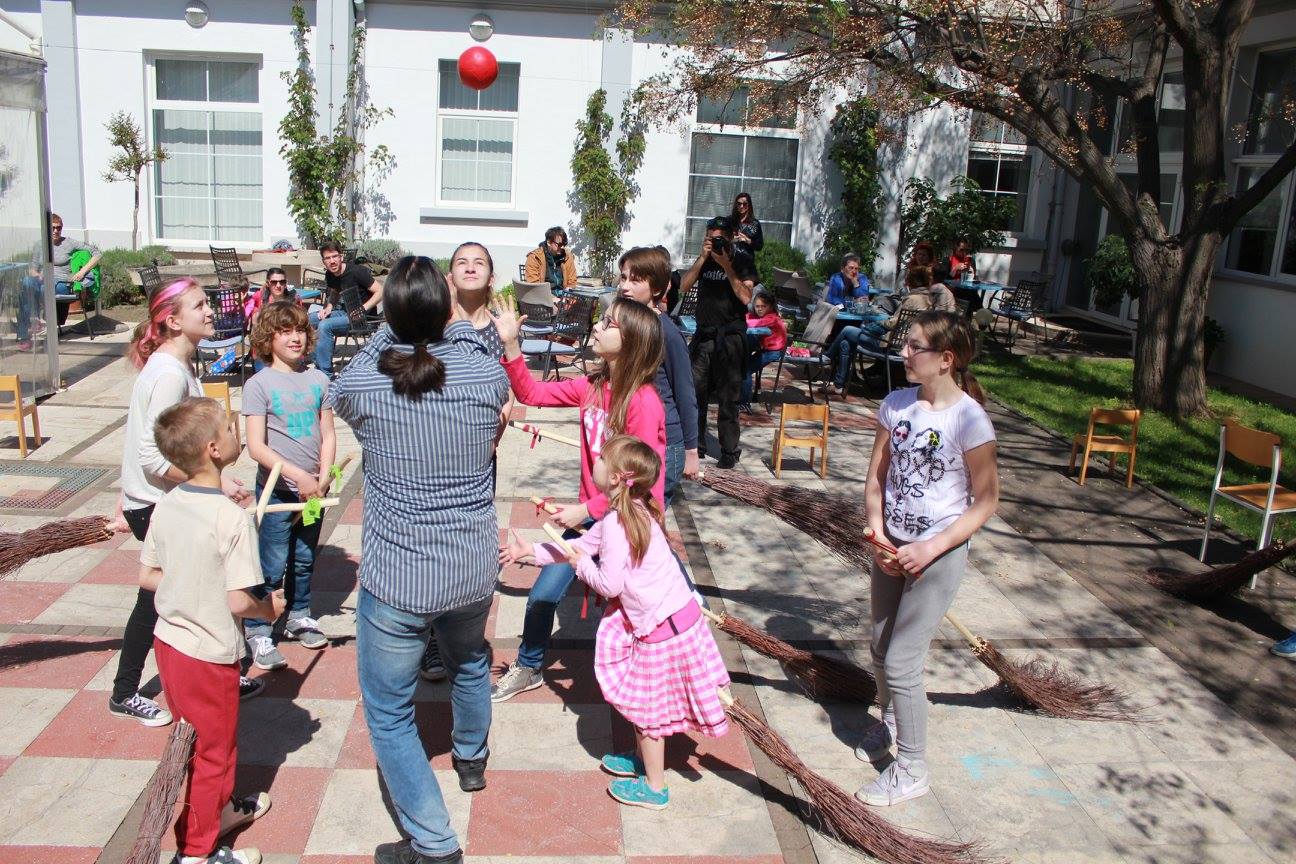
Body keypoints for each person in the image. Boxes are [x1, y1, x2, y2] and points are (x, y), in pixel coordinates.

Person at [327, 256, 509, 864]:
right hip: (471, 565)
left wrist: (390, 322)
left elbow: (338, 386)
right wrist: (448, 324)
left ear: (393, 314)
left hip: (398, 577)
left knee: (388, 710)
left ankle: (434, 843)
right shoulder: (486, 377)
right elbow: (478, 357)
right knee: (469, 661)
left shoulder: (366, 384)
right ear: (445, 307)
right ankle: (471, 760)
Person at [500, 435, 730, 810]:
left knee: (646, 711)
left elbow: (608, 583)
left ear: (617, 476)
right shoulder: (624, 512)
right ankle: (643, 761)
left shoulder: (621, 524)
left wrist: (580, 566)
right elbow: (583, 544)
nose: (596, 460)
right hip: (668, 622)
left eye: (602, 458)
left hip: (665, 631)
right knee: (645, 705)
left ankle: (655, 788)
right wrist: (533, 552)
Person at [489, 298, 666, 702]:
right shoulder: (592, 387)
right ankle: (530, 665)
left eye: (609, 323)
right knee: (543, 596)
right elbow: (532, 392)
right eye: (602, 320)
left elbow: (638, 484)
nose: (598, 327)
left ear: (633, 341)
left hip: (633, 524)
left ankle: (659, 681)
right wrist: (512, 346)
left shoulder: (643, 403)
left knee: (644, 609)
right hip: (591, 520)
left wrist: (587, 509)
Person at [857, 310, 999, 807]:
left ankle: (913, 768)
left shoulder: (969, 419)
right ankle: (892, 717)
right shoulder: (896, 405)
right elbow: (877, 476)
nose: (903, 353)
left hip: (937, 555)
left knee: (902, 661)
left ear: (946, 359)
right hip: (890, 546)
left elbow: (986, 501)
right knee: (879, 646)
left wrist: (931, 548)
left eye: (914, 346)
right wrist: (877, 531)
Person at [110, 278, 258, 727]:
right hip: (159, 502)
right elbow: (152, 455)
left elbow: (155, 439)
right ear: (173, 320)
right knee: (159, 596)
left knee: (189, 588)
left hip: (160, 498)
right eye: (199, 306)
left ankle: (222, 671)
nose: (211, 311)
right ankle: (125, 692)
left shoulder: (175, 365)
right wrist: (209, 485)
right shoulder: (169, 373)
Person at [143, 397, 284, 864]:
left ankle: (217, 815)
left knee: (195, 743)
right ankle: (197, 853)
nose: (236, 428)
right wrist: (270, 609)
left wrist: (190, 584)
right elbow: (240, 600)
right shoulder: (231, 519)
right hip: (209, 655)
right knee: (214, 755)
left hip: (169, 646)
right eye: (229, 425)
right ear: (213, 450)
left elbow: (149, 575)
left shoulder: (168, 503)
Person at [414, 241, 513, 683]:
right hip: (432, 451)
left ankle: (460, 634)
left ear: (492, 277)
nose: (471, 268)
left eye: (480, 263)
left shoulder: (502, 328)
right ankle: (430, 639)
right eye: (461, 262)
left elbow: (510, 392)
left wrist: (494, 433)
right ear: (449, 277)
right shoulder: (433, 324)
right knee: (429, 543)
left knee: (468, 542)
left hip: (479, 454)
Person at [240, 301, 336, 671]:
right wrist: (298, 476)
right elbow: (256, 447)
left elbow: (327, 434)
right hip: (278, 491)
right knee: (271, 562)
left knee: (304, 557)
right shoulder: (258, 384)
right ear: (268, 337)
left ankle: (299, 614)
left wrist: (323, 477)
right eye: (284, 331)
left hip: (313, 492)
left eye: (299, 330)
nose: (295, 337)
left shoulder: (318, 380)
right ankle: (259, 627)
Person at [616, 246, 699, 503]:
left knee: (645, 526)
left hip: (665, 446)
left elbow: (685, 393)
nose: (625, 286)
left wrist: (691, 451)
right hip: (636, 438)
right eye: (623, 277)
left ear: (656, 289)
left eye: (635, 280)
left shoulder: (667, 333)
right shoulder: (625, 325)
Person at [680, 216, 756, 468]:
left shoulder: (742, 260)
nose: (716, 241)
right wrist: (702, 258)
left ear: (732, 235)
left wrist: (726, 266)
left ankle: (729, 451)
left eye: (721, 236)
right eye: (712, 237)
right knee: (695, 395)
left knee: (728, 398)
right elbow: (683, 287)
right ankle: (696, 445)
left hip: (731, 338)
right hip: (705, 336)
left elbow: (746, 298)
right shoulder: (705, 259)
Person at [826, 267, 955, 396]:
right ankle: (839, 385)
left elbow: (893, 323)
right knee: (845, 343)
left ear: (910, 281)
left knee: (848, 330)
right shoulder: (930, 299)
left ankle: (828, 357)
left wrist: (878, 321)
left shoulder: (912, 299)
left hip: (889, 344)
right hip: (904, 343)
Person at [16, 213, 101, 349]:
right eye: (53, 228)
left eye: (59, 228)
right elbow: (32, 269)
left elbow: (97, 254)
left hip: (62, 284)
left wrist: (82, 272)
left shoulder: (69, 243)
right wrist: (37, 275)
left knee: (43, 289)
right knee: (27, 283)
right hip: (42, 281)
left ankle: (33, 323)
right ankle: (28, 329)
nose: (56, 231)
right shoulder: (40, 245)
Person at [309, 240, 382, 379]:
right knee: (310, 319)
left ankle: (325, 375)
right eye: (327, 258)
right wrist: (329, 307)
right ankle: (318, 363)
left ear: (341, 257)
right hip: (345, 313)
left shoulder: (357, 272)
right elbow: (335, 291)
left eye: (334, 256)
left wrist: (362, 309)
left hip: (364, 320)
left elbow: (381, 291)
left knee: (325, 326)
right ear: (323, 261)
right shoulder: (330, 274)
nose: (332, 261)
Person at [739, 291, 787, 410]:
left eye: (763, 306)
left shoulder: (772, 318)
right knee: (741, 359)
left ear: (770, 306)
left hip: (773, 352)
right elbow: (749, 317)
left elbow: (755, 324)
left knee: (746, 370)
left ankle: (744, 403)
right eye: (757, 306)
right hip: (766, 349)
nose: (759, 309)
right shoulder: (764, 316)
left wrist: (738, 321)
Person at [947, 238, 983, 313]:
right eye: (961, 250)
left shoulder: (970, 260)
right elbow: (945, 280)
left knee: (972, 296)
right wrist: (955, 269)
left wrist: (971, 272)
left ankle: (981, 318)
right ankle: (981, 318)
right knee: (973, 299)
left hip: (967, 291)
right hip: (953, 291)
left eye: (966, 250)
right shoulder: (948, 260)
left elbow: (974, 279)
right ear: (955, 248)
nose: (964, 252)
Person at [730, 192, 764, 261]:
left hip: (747, 261)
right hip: (730, 261)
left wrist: (748, 240)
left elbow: (759, 246)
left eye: (744, 204)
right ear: (736, 205)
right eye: (739, 204)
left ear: (749, 205)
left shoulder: (755, 223)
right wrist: (732, 239)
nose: (741, 206)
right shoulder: (729, 220)